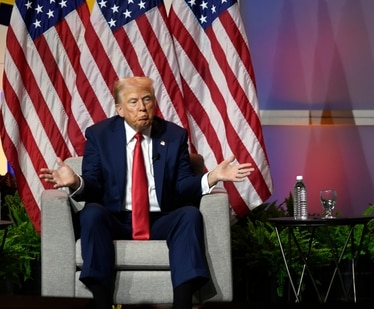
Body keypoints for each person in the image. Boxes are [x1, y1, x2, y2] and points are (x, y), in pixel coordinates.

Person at [38, 76, 255, 309]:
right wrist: (76, 181)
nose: (142, 107)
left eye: (147, 99)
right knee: (91, 214)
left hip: (159, 219)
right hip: (116, 218)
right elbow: (95, 186)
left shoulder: (174, 136)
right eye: (133, 102)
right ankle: (102, 304)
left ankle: (182, 305)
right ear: (120, 109)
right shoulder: (99, 135)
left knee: (189, 215)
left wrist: (212, 177)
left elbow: (182, 187)